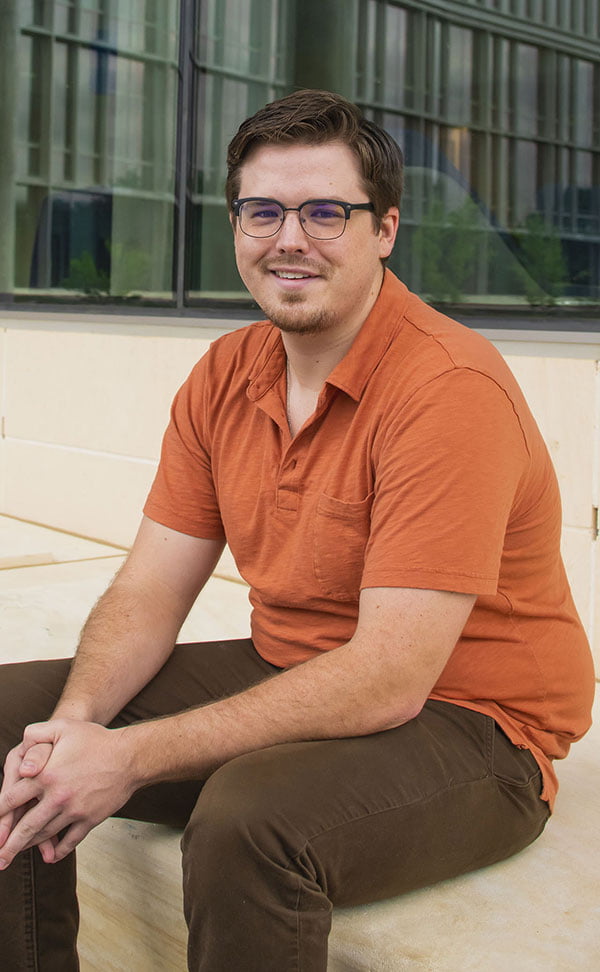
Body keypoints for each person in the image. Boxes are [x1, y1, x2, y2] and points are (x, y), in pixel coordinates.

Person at [0, 89, 595, 972]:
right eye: (263, 211)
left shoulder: (447, 390)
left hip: (474, 722)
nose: (290, 239)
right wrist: (78, 726)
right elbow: (149, 588)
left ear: (384, 230)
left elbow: (391, 676)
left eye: (326, 213)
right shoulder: (226, 371)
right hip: (301, 668)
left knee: (251, 824)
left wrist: (128, 757)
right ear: (236, 224)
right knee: (17, 728)